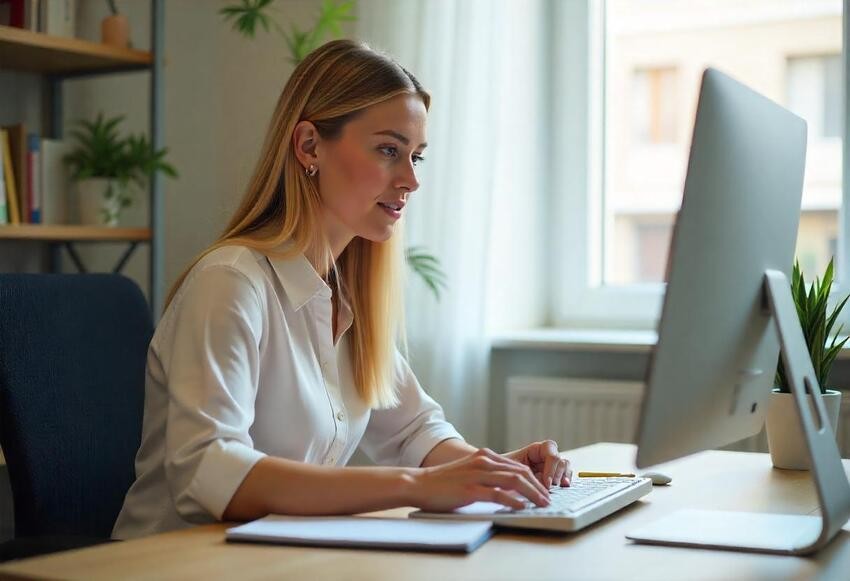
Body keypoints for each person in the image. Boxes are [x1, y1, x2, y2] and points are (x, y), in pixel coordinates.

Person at [112, 39, 572, 540]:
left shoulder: (345, 297)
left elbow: (414, 431)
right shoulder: (231, 283)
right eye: (389, 150)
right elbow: (208, 471)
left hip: (275, 558)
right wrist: (413, 486)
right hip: (174, 563)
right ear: (309, 146)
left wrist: (497, 472)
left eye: (416, 156)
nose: (411, 180)